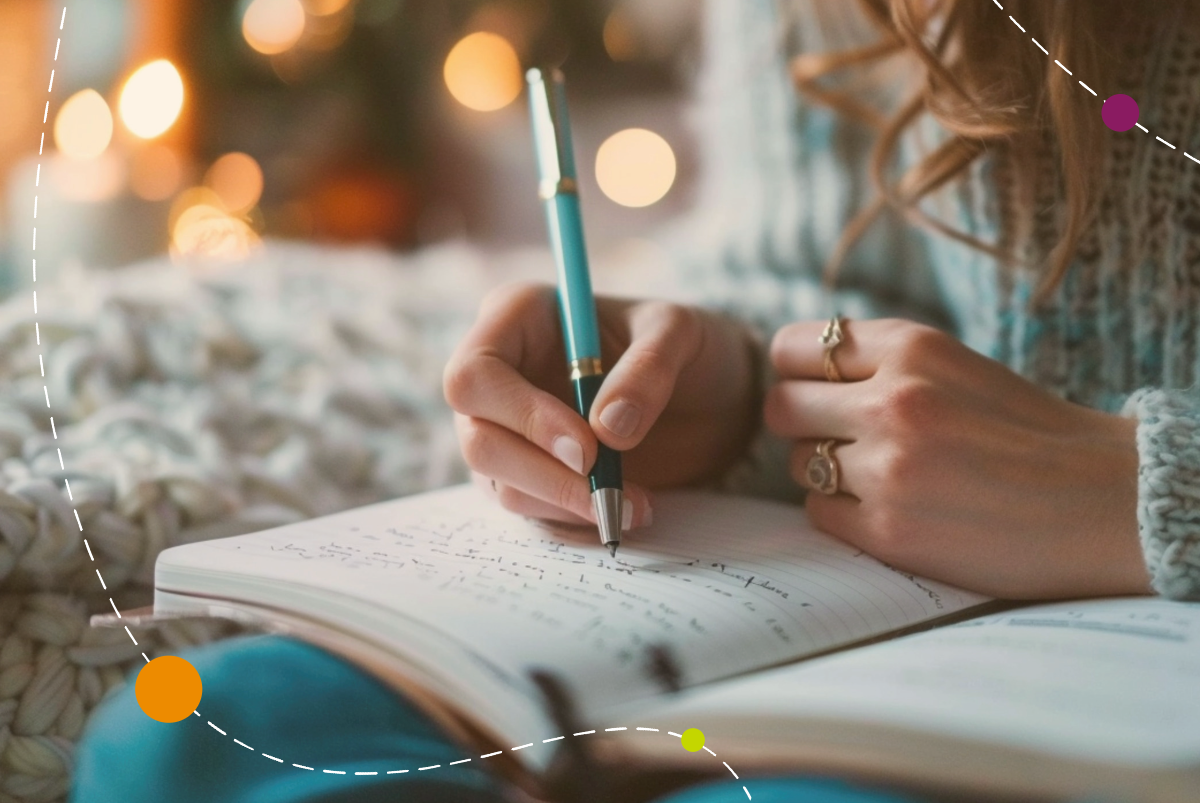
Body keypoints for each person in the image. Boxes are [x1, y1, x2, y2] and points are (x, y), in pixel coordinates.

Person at [73, 1, 1200, 801]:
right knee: (193, 737)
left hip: (1138, 667)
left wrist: (1138, 489)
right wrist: (730, 377)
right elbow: (831, 268)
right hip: (891, 609)